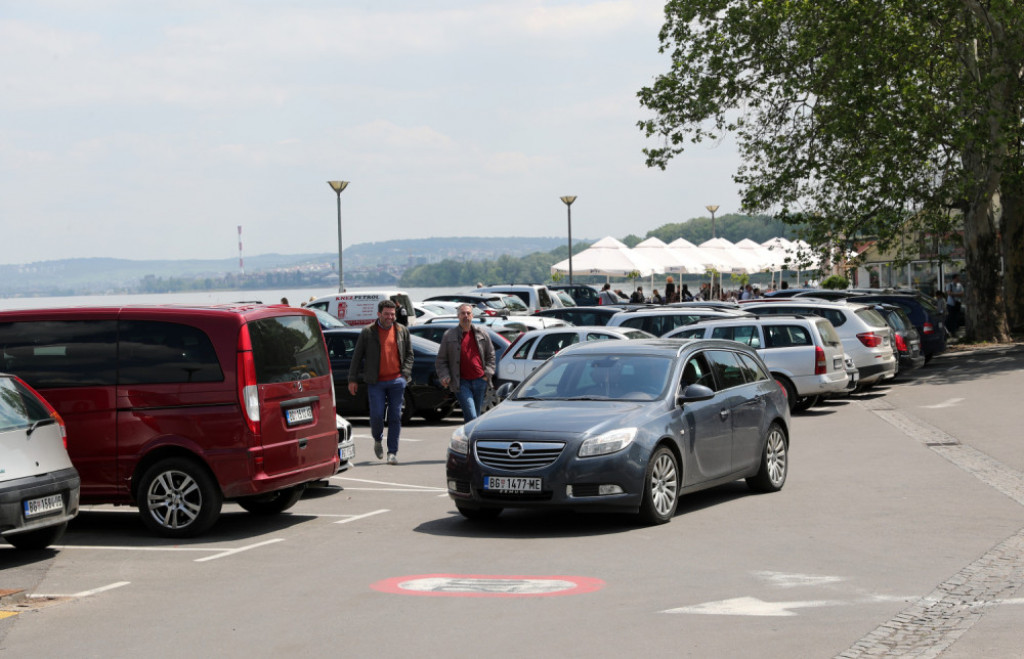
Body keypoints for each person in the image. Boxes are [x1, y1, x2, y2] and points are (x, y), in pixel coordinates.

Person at [347, 300, 414, 465]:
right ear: (379, 314)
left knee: (395, 417)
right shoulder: (368, 332)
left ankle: (392, 452)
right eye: (386, 314)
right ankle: (377, 439)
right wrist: (352, 379)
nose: (390, 317)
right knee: (377, 416)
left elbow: (409, 355)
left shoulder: (402, 331)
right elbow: (357, 357)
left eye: (392, 314)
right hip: (375, 382)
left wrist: (404, 374)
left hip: (397, 381)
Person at [435, 304, 496, 422]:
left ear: (472, 315)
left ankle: (469, 439)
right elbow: (441, 360)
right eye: (463, 313)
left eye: (468, 313)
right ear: (458, 316)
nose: (466, 316)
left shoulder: (482, 333)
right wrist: (445, 376)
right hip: (461, 383)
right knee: (472, 415)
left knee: (475, 417)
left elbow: (491, 355)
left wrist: (487, 373)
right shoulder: (449, 335)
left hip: (480, 380)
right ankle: (470, 438)